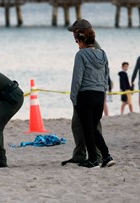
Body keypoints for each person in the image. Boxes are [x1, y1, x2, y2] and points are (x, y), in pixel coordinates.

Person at [70, 26, 115, 168]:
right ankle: (102, 157)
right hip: (99, 95)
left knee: (88, 128)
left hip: (85, 95)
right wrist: (104, 92)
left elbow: (77, 79)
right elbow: (106, 75)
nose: (77, 44)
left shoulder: (81, 55)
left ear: (82, 41)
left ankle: (98, 158)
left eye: (77, 41)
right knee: (92, 127)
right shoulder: (103, 54)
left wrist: (73, 98)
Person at [62, 19, 102, 166]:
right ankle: (79, 155)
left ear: (81, 31)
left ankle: (96, 155)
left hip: (87, 93)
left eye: (74, 31)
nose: (72, 34)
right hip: (86, 92)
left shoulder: (91, 48)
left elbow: (83, 75)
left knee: (93, 125)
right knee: (77, 125)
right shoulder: (84, 46)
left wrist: (74, 96)